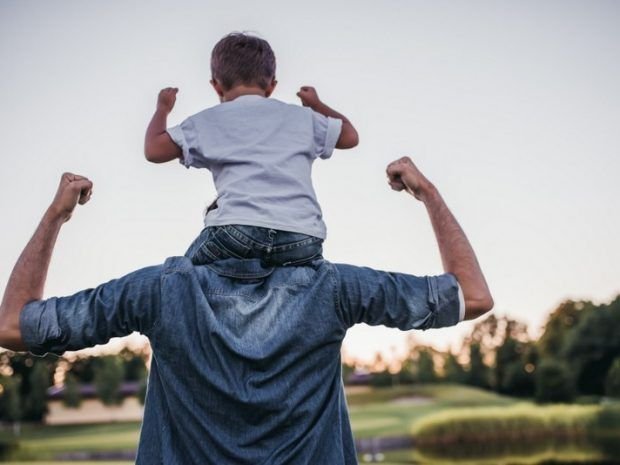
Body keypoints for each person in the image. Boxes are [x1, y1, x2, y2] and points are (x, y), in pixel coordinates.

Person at [0, 156, 493, 464]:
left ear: (214, 221)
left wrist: (55, 216)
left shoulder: (159, 290)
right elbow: (473, 296)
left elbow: (13, 326)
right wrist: (427, 194)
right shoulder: (334, 288)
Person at [144, 32, 359, 267]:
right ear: (272, 85)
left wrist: (163, 108)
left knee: (182, 275)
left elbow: (153, 150)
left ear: (216, 86)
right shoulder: (302, 117)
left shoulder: (208, 121)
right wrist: (316, 105)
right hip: (303, 237)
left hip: (237, 232)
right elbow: (350, 136)